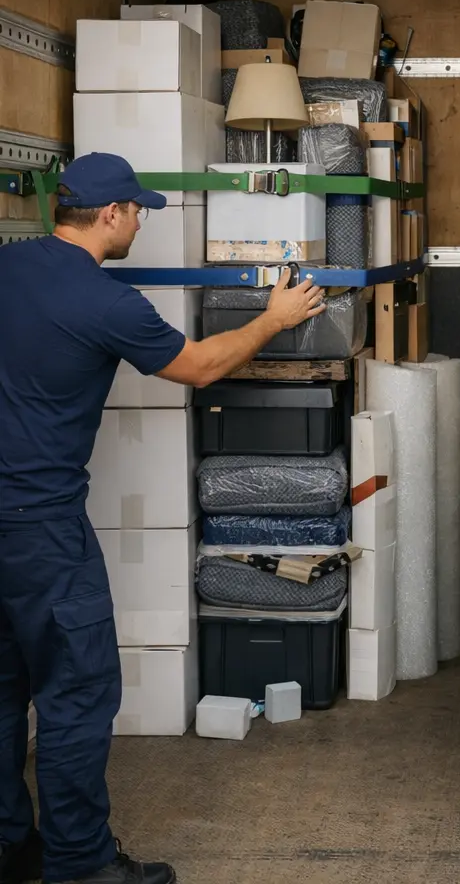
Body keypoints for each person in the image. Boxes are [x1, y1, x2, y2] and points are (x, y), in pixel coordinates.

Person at [0, 153, 327, 884]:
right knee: (76, 696)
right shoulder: (106, 301)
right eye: (137, 210)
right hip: (42, 531)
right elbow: (201, 365)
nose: (141, 221)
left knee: (1, 693)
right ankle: (80, 866)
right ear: (110, 215)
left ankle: (9, 848)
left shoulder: (8, 266)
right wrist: (273, 318)